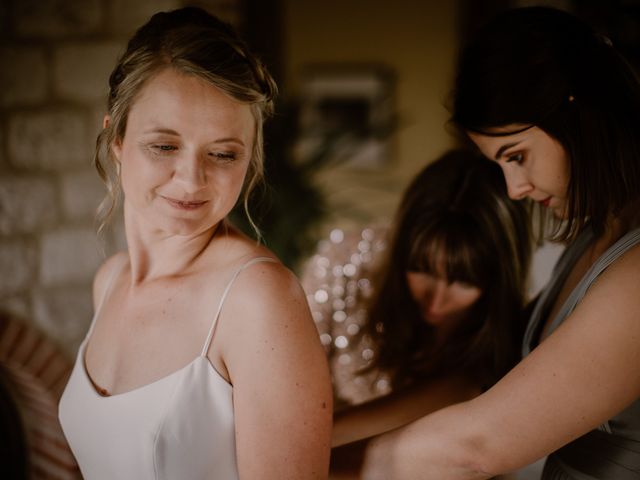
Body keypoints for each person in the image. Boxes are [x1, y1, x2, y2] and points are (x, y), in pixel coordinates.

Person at [359, 7, 640, 479]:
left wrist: (292, 464)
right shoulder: (598, 233)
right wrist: (313, 430)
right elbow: (480, 380)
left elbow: (475, 448)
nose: (515, 189)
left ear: (576, 110)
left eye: (517, 156)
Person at [58, 7, 332, 480]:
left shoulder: (258, 299)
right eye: (164, 146)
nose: (190, 180)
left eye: (223, 154)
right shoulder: (111, 281)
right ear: (117, 138)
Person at [303, 150, 532, 452]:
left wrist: (314, 440)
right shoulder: (346, 266)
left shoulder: (510, 331)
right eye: (422, 269)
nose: (436, 301)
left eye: (464, 281)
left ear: (497, 282)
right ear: (400, 251)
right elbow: (290, 384)